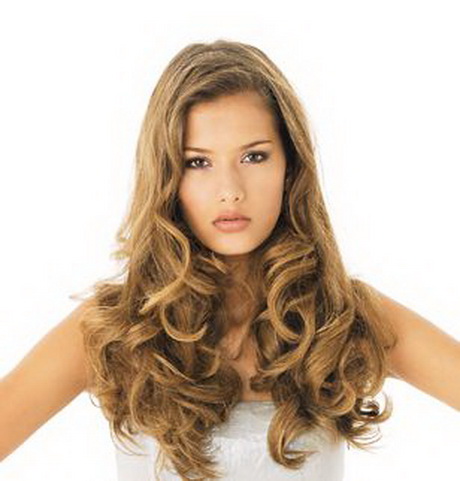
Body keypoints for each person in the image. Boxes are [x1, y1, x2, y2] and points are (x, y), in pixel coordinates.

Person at [1, 39, 459, 481]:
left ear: (290, 167)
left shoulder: (344, 319)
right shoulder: (115, 331)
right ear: (167, 175)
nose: (230, 190)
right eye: (198, 162)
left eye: (254, 156)